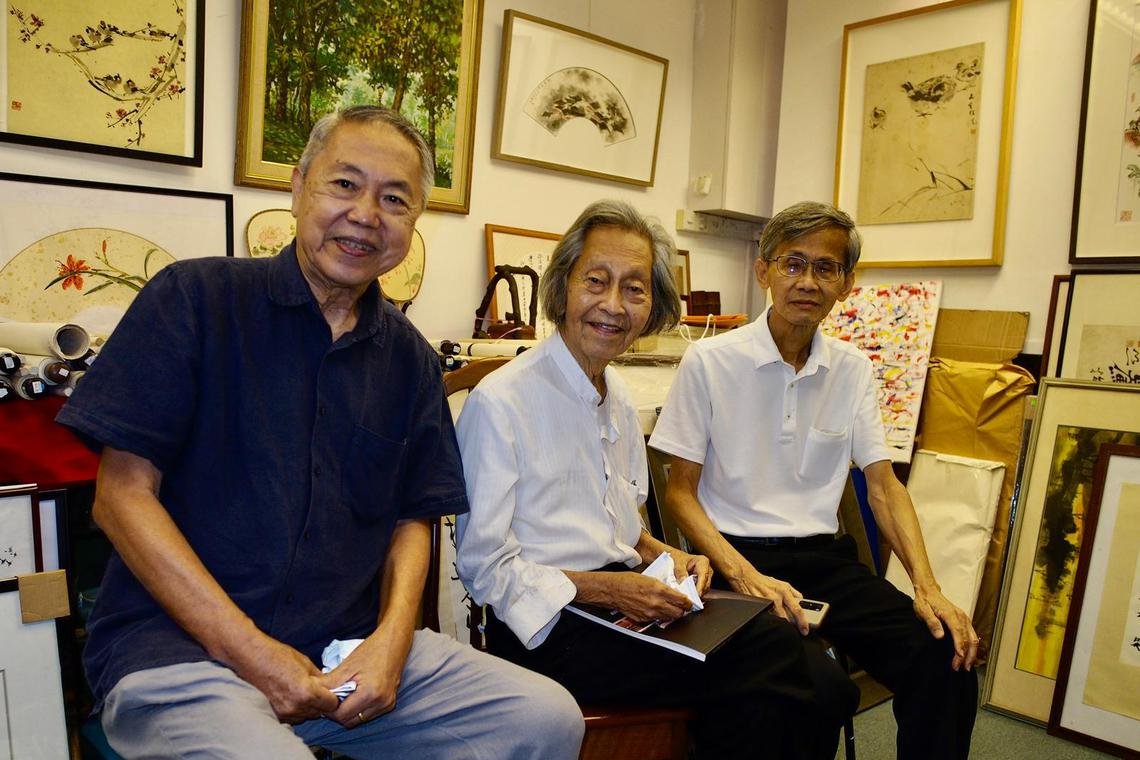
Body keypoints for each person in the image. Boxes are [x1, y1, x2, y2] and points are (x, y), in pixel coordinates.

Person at [56, 105, 583, 759]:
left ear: (414, 223)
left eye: (394, 199)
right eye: (345, 184)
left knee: (545, 721)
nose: (366, 214)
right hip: (178, 653)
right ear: (299, 185)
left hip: (341, 653)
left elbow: (413, 520)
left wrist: (391, 641)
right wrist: (252, 652)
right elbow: (120, 498)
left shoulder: (411, 361)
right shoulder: (193, 300)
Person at [454, 199, 858, 760]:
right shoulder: (501, 402)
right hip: (546, 625)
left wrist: (672, 556)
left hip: (622, 602)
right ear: (563, 286)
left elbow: (621, 531)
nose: (613, 305)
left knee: (815, 677)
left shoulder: (617, 397)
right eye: (596, 281)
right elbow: (484, 567)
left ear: (653, 306)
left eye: (635, 289)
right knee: (781, 669)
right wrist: (610, 588)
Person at [649, 200, 980, 759]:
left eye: (826, 267)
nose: (808, 281)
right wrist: (745, 574)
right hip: (735, 562)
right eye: (793, 263)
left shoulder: (853, 369)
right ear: (764, 271)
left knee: (945, 656)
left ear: (846, 284)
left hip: (826, 562)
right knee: (816, 692)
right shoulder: (709, 361)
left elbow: (884, 487)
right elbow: (679, 493)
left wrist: (928, 588)